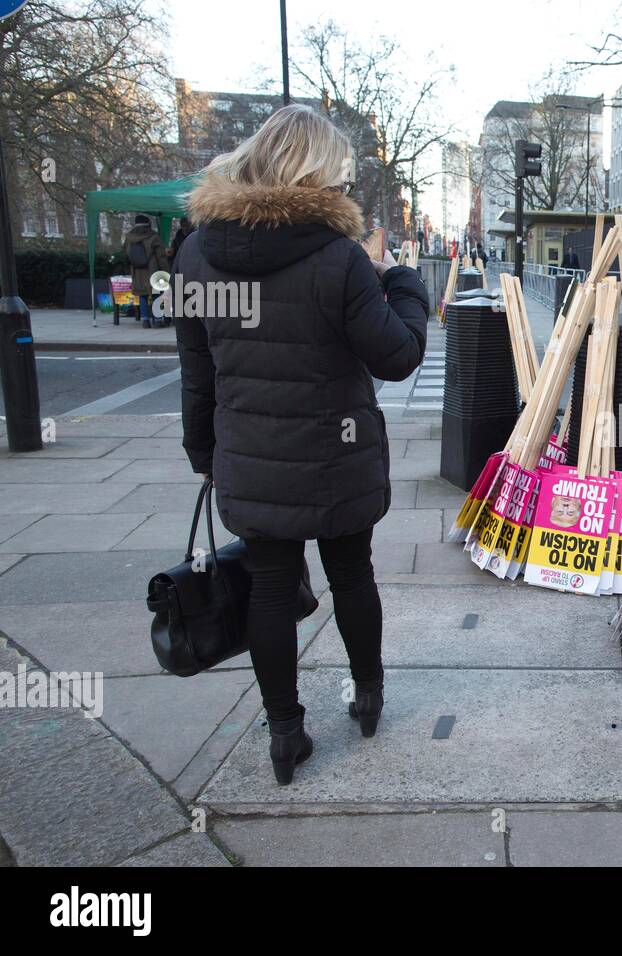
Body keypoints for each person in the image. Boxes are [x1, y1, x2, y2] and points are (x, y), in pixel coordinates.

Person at [175, 104, 430, 785]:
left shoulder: (195, 253)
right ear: (319, 177)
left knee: (269, 587)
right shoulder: (338, 259)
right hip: (334, 458)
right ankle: (368, 699)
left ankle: (285, 733)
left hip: (249, 458)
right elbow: (398, 355)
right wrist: (402, 281)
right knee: (352, 573)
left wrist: (207, 455)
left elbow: (197, 374)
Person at [122, 214, 166, 328]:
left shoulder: (129, 238)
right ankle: (157, 320)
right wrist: (166, 271)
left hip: (137, 271)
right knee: (156, 294)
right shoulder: (153, 236)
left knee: (142, 295)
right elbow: (161, 256)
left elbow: (125, 255)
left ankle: (145, 320)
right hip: (153, 269)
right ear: (148, 224)